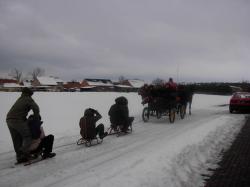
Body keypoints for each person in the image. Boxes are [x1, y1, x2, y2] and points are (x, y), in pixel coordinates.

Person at [6, 87, 40, 163]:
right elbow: (36, 108)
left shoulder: (20, 98)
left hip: (9, 120)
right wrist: (36, 118)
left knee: (16, 138)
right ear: (29, 94)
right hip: (17, 120)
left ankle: (19, 157)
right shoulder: (28, 99)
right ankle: (24, 152)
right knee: (27, 136)